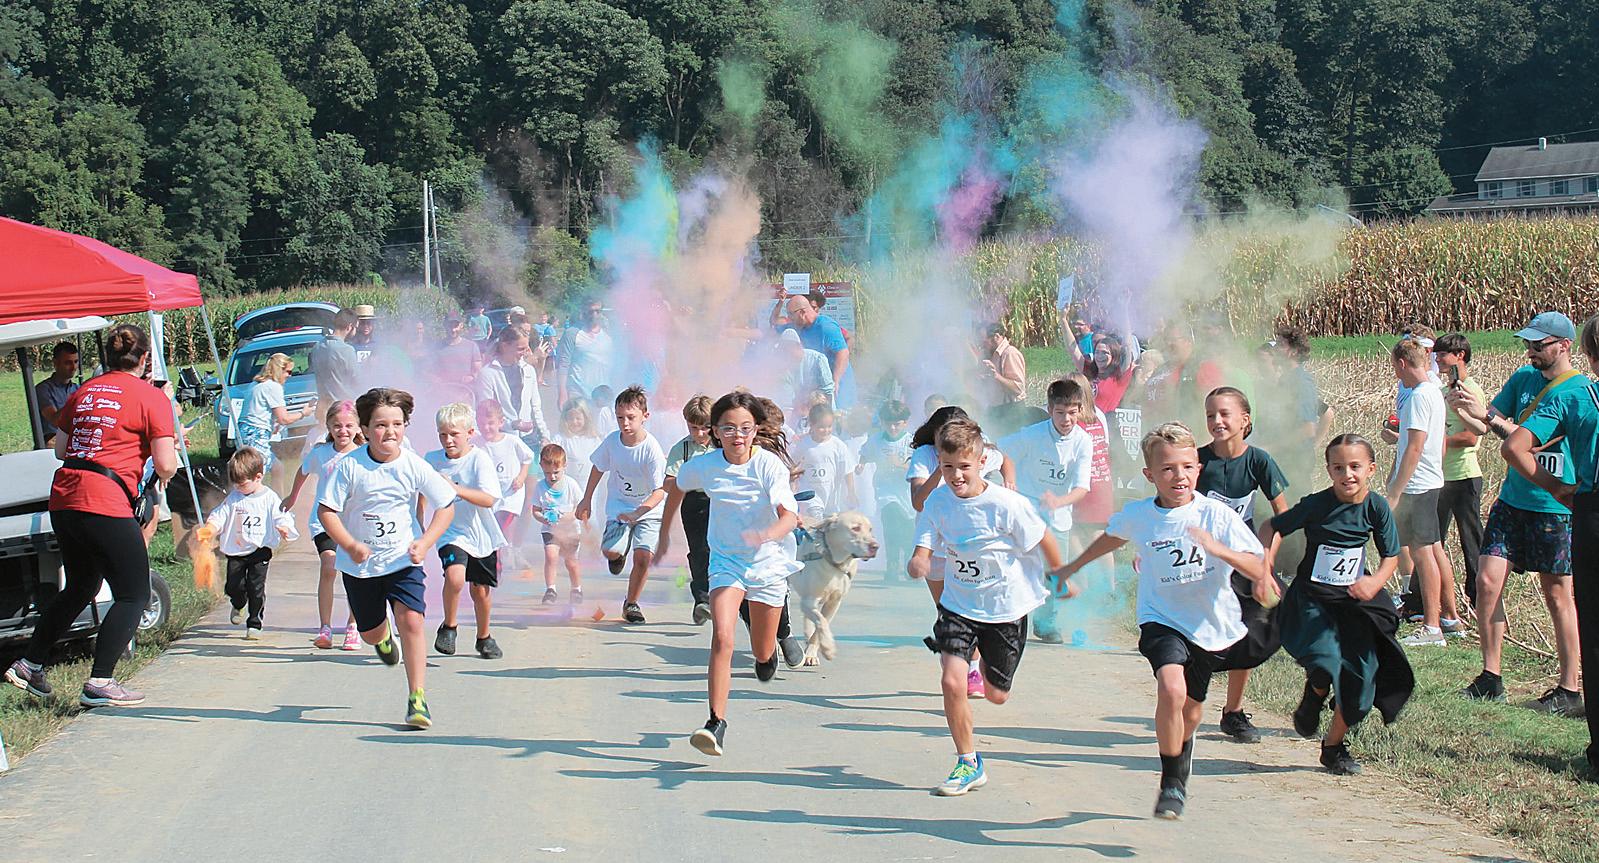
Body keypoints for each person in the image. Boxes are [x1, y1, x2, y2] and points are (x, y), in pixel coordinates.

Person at [1054, 422, 1274, 820]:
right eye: (1168, 468)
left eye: (1187, 467)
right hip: (1161, 619)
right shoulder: (1140, 515)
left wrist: (1218, 549)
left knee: (1191, 711)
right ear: (1150, 474)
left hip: (1208, 625)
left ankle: (1181, 754)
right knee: (1171, 689)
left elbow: (1258, 566)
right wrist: (1071, 567)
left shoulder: (1215, 515)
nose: (1179, 476)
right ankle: (1172, 780)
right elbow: (1112, 537)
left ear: (1198, 469)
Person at [6, 324, 178, 708]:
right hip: (105, 500)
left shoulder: (85, 391)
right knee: (133, 592)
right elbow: (166, 465)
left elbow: (61, 450)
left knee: (81, 586)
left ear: (108, 357)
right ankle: (100, 681)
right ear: (144, 358)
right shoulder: (151, 397)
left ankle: (30, 664)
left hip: (65, 496)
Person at [909, 417, 1068, 796]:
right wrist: (918, 560)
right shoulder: (937, 502)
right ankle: (967, 762)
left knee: (997, 694)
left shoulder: (1006, 504)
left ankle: (987, 667)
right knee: (952, 680)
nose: (956, 475)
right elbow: (925, 541)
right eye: (947, 467)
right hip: (957, 606)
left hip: (1005, 609)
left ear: (983, 462)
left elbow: (1043, 537)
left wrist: (1060, 575)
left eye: (964, 466)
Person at [1451, 312, 1586, 712]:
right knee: (1487, 581)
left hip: (1554, 507)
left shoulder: (1577, 391)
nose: (1530, 352)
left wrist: (1488, 416)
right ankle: (1491, 677)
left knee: (1558, 595)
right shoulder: (1523, 379)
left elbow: (1528, 443)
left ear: (1564, 346)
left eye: (1539, 345)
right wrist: (1466, 408)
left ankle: (1569, 688)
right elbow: (1487, 426)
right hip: (1512, 501)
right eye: (1528, 344)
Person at [1260, 434, 1411, 776]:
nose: (1347, 474)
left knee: (1361, 677)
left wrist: (1375, 582)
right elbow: (1273, 527)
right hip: (1313, 600)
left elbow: (1390, 555)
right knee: (1327, 661)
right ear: (1328, 470)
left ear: (1371, 469)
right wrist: (1264, 568)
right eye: (1339, 467)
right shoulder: (1316, 504)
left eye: (1355, 466)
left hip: (1355, 599)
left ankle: (1333, 747)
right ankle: (1316, 692)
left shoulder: (1376, 507)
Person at [670, 392, 802, 756]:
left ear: (756, 429)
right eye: (728, 428)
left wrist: (767, 534)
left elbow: (789, 516)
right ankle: (716, 723)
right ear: (715, 431)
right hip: (726, 562)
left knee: (762, 649)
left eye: (745, 428)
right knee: (722, 636)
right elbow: (676, 484)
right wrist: (664, 527)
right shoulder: (705, 465)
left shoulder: (768, 466)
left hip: (767, 563)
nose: (737, 436)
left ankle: (767, 656)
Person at [317, 387, 456, 729]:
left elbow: (446, 506)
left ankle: (417, 698)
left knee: (412, 621)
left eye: (397, 424)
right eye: (380, 425)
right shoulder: (349, 466)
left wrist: (425, 542)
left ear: (405, 426)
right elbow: (326, 512)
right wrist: (350, 545)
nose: (389, 432)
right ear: (364, 429)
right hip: (360, 567)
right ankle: (381, 640)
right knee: (370, 633)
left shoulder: (413, 465)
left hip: (403, 559)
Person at [1504, 314, 1599, 771]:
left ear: (1587, 353)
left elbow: (1513, 447)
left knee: (1592, 628)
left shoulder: (1570, 395)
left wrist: (1559, 489)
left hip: (1591, 509)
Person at [1195, 386, 1290, 744]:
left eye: (1224, 414)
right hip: (1203, 560)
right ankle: (1186, 703)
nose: (1216, 421)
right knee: (1198, 633)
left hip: (1243, 559)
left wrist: (1265, 565)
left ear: (1244, 419)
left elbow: (1282, 517)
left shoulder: (1259, 461)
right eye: (1210, 415)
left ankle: (1233, 712)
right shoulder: (1197, 460)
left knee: (1251, 630)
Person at [907, 405, 1015, 699]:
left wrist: (1009, 482)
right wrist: (941, 467)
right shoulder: (924, 455)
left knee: (968, 611)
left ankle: (972, 669)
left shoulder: (975, 451)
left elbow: (1004, 459)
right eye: (944, 436)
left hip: (968, 544)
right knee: (947, 611)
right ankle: (957, 654)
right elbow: (918, 502)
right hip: (935, 545)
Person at [996, 378, 1094, 644]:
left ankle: (1046, 623)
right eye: (1060, 412)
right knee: (1017, 568)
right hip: (1026, 509)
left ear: (1080, 410)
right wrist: (1009, 479)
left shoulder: (1083, 442)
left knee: (1055, 571)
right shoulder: (1032, 434)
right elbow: (1001, 452)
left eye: (1072, 412)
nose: (1066, 419)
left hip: (1058, 515)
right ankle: (1010, 620)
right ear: (1050, 410)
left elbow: (1082, 488)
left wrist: (1059, 502)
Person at [1387, 339, 1458, 647]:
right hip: (1429, 481)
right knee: (1430, 549)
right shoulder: (1433, 392)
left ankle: (1431, 626)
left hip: (1417, 486)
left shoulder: (1417, 397)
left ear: (1403, 363)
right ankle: (1446, 619)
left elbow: (1414, 448)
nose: (1395, 373)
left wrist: (1395, 491)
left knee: (1423, 553)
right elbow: (1436, 444)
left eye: (1394, 366)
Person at [576, 386, 667, 624]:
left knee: (643, 557)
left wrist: (639, 512)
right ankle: (617, 556)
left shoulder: (652, 449)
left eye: (630, 417)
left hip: (648, 510)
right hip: (619, 507)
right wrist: (586, 498)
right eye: (620, 418)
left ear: (645, 416)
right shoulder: (612, 442)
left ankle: (631, 603)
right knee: (611, 551)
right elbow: (598, 467)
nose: (625, 423)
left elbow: (659, 491)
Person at [424, 403, 507, 660]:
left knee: (480, 590)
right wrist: (418, 522)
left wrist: (456, 489)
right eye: (442, 434)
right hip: (450, 531)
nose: (448, 440)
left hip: (481, 534)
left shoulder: (479, 459)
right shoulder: (432, 460)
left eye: (454, 434)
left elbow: (489, 499)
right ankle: (449, 627)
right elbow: (421, 492)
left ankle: (484, 637)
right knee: (455, 577)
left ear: (470, 433)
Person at [282, 401, 362, 650]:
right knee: (329, 567)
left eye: (349, 426)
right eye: (337, 426)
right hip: (324, 521)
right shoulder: (320, 453)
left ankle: (353, 626)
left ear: (358, 428)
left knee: (353, 574)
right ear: (328, 426)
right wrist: (293, 497)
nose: (343, 431)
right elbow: (303, 471)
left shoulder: (364, 454)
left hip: (354, 524)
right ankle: (325, 628)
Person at [206, 447, 297, 639]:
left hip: (259, 550)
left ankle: (255, 622)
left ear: (258, 477)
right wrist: (211, 528)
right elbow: (220, 515)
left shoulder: (269, 498)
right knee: (234, 586)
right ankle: (238, 603)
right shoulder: (233, 498)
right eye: (235, 484)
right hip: (236, 551)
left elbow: (281, 514)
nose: (238, 487)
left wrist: (283, 527)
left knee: (256, 588)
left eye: (242, 484)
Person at [1431, 334, 1486, 609]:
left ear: (1460, 356)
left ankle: (1478, 598)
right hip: (1441, 477)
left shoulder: (1470, 391)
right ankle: (1426, 598)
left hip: (1464, 476)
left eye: (1443, 354)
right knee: (1432, 540)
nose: (1438, 359)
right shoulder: (1444, 391)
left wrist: (1437, 442)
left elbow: (1471, 437)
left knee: (1471, 540)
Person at [657, 396, 716, 624]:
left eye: (705, 427)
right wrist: (689, 480)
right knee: (700, 549)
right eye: (694, 428)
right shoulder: (681, 449)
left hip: (721, 501)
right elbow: (668, 482)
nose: (700, 434)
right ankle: (702, 599)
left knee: (721, 549)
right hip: (694, 502)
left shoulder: (722, 445)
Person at [856, 399, 915, 576]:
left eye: (897, 424)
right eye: (889, 424)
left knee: (907, 531)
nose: (893, 428)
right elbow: (865, 453)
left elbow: (917, 466)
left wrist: (900, 465)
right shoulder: (876, 440)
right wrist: (861, 464)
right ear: (882, 422)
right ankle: (892, 566)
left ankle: (909, 566)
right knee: (891, 525)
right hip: (885, 492)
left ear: (905, 423)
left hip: (907, 494)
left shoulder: (911, 442)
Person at [238, 353, 317, 475]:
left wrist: (273, 425)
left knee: (277, 468)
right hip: (256, 434)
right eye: (288, 372)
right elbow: (284, 419)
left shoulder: (256, 384)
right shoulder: (273, 387)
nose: (290, 375)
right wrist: (303, 413)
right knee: (255, 472)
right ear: (279, 370)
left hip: (246, 432)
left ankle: (274, 490)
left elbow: (258, 412)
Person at [473, 399, 534, 558]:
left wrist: (521, 477)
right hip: (489, 494)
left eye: (490, 423)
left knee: (503, 522)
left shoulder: (512, 441)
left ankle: (505, 553)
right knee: (491, 526)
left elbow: (528, 458)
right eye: (482, 424)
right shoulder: (476, 444)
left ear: (501, 422)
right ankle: (497, 556)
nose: (486, 427)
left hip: (510, 493)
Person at [476, 327, 551, 452]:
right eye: (520, 349)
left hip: (529, 439)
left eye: (526, 348)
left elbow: (536, 406)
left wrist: (545, 435)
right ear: (505, 346)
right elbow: (486, 412)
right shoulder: (487, 373)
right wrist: (512, 425)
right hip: (502, 438)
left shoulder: (528, 370)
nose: (526, 352)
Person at [772, 292, 852, 407]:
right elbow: (772, 328)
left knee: (837, 414)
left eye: (790, 314)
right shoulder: (797, 326)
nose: (789, 318)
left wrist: (836, 380)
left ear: (802, 312)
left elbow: (843, 353)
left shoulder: (826, 327)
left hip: (837, 385)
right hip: (816, 385)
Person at [530, 444, 585, 605]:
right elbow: (535, 510)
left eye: (556, 472)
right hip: (550, 529)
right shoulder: (540, 487)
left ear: (564, 466)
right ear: (541, 467)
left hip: (570, 530)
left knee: (571, 562)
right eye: (547, 473)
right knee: (551, 555)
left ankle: (576, 589)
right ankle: (550, 589)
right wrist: (544, 519)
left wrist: (566, 517)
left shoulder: (571, 484)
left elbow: (580, 508)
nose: (552, 477)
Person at [792, 403, 857, 522]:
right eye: (821, 427)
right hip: (810, 495)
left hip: (831, 498)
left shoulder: (838, 446)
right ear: (811, 424)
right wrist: (792, 484)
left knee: (829, 526)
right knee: (816, 521)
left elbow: (848, 470)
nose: (826, 430)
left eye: (829, 426)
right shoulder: (804, 444)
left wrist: (851, 492)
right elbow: (793, 464)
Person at [557, 302, 614, 411]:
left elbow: (614, 363)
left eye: (598, 311)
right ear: (583, 312)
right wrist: (562, 393)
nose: (594, 315)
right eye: (590, 311)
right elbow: (563, 365)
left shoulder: (608, 334)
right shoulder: (572, 333)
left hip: (602, 394)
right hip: (577, 392)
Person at [309, 308, 361, 409]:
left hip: (324, 407)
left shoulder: (317, 347)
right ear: (350, 327)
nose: (356, 331)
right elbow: (356, 380)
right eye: (356, 328)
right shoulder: (347, 350)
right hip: (343, 407)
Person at [775, 328, 835, 414]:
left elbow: (828, 391)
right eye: (784, 351)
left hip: (823, 410)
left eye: (788, 350)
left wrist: (828, 415)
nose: (787, 354)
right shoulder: (784, 370)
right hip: (799, 413)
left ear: (799, 346)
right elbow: (787, 401)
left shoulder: (817, 359)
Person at [35, 341, 80, 443]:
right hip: (51, 443)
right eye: (68, 363)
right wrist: (77, 400)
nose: (73, 367)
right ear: (55, 363)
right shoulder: (43, 389)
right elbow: (55, 421)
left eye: (76, 362)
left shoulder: (77, 388)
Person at [978, 324, 1027, 408]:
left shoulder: (1010, 353)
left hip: (1011, 409)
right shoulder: (991, 354)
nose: (981, 345)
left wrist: (996, 376)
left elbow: (1018, 389)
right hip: (996, 409)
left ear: (996, 337)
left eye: (984, 340)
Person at [435, 315, 482, 401]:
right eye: (450, 326)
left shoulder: (471, 346)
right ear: (445, 326)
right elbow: (430, 369)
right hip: (443, 395)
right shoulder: (437, 347)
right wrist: (436, 379)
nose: (453, 330)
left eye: (455, 326)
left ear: (461, 326)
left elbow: (477, 369)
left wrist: (472, 377)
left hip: (466, 394)